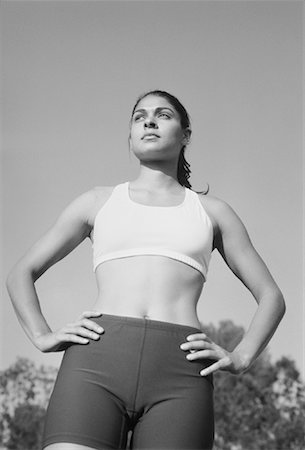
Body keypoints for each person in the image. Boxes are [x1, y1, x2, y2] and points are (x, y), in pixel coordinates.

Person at [6, 90, 286, 450]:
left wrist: (242, 356)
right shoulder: (97, 201)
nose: (149, 121)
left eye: (163, 115)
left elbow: (271, 296)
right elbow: (21, 273)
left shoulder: (213, 212)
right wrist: (42, 335)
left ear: (185, 135)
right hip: (95, 363)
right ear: (132, 134)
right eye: (140, 117)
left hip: (181, 373)